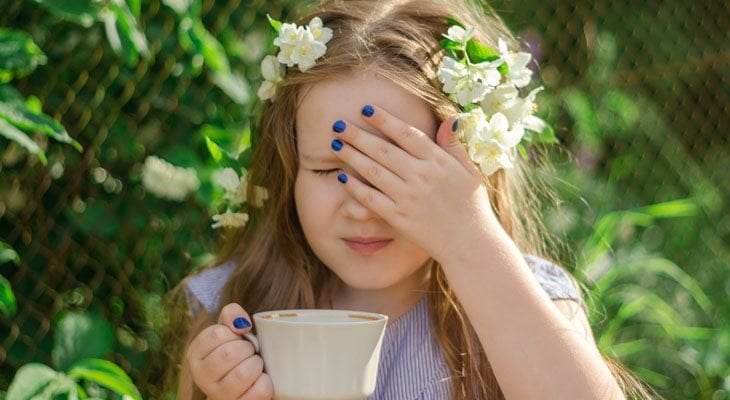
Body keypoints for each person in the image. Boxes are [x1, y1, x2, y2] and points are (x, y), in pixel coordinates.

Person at [165, 0, 654, 399]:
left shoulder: (530, 303)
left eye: (399, 170)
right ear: (288, 166)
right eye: (331, 169)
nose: (361, 205)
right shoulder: (236, 309)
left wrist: (467, 237)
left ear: (474, 164)